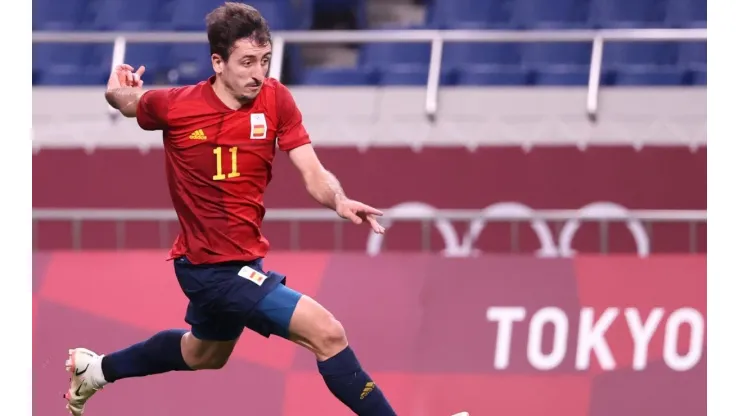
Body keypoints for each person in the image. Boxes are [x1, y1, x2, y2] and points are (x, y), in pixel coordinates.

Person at [63, 3, 397, 415]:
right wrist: (116, 88)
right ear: (218, 62)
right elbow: (127, 101)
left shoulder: (276, 99)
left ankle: (95, 370)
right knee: (327, 333)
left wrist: (339, 199)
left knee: (204, 354)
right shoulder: (177, 106)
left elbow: (312, 170)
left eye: (265, 60)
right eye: (247, 62)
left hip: (241, 260)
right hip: (209, 269)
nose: (259, 73)